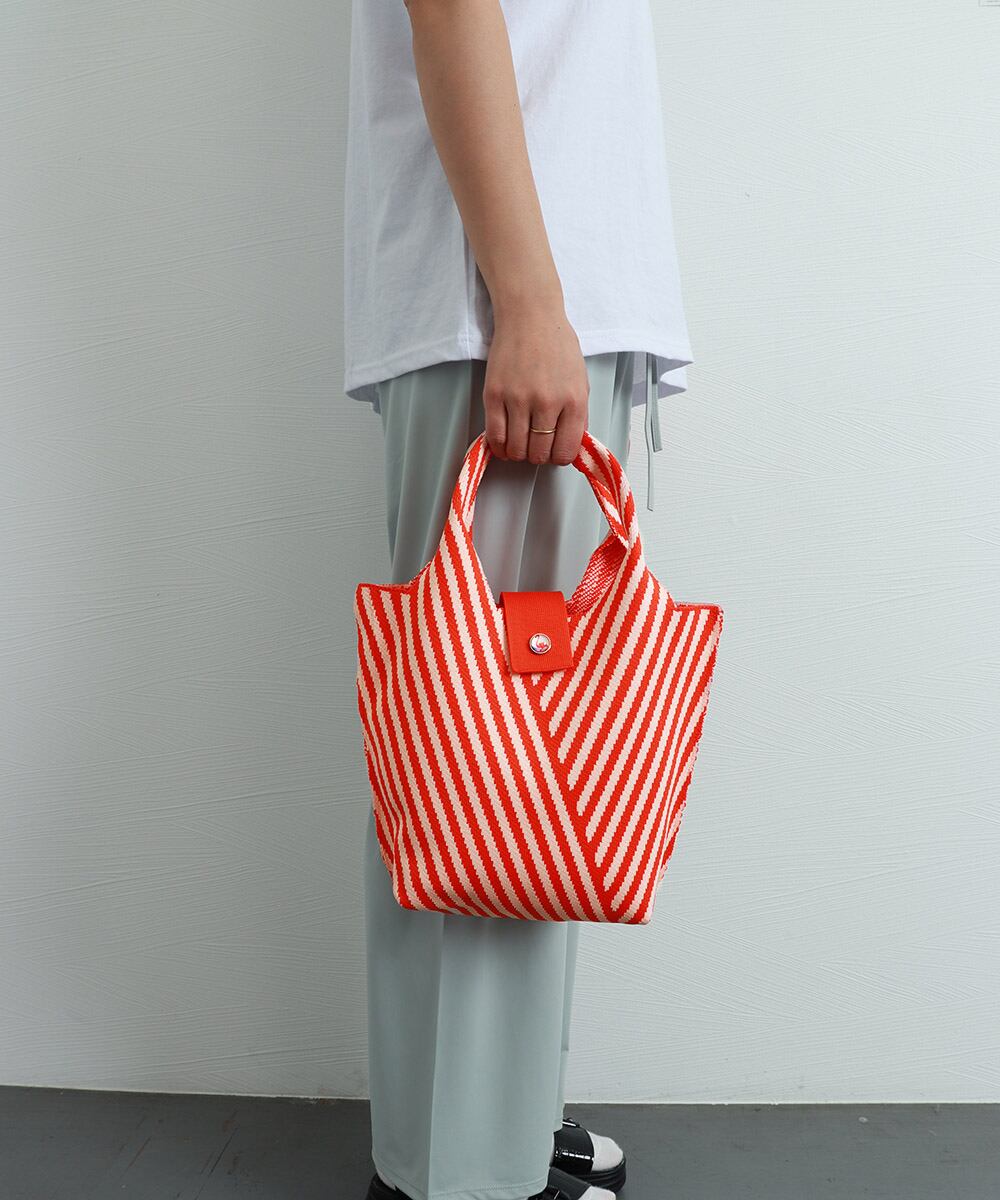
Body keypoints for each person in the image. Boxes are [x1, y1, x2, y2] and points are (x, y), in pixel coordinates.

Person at [343, 3, 694, 1199]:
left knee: (538, 780)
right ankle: (461, 1175)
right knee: (481, 776)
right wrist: (532, 303)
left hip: (527, 294)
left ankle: (494, 1126)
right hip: (507, 302)